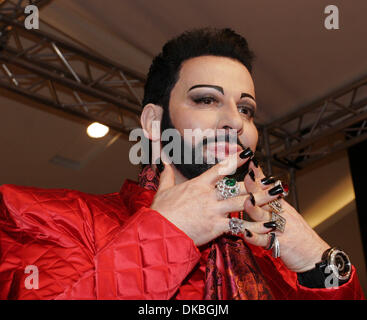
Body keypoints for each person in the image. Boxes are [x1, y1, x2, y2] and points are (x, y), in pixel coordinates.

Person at [0, 27, 364, 300]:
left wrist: (320, 264)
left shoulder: (275, 256)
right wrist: (166, 234)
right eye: (206, 100)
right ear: (153, 123)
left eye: (246, 109)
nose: (235, 121)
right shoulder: (39, 215)